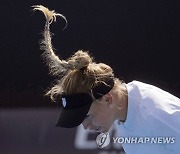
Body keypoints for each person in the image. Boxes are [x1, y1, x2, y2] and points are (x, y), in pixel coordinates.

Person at [32, 5, 180, 154]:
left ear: (108, 99)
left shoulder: (157, 115)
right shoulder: (123, 110)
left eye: (88, 116)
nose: (86, 126)